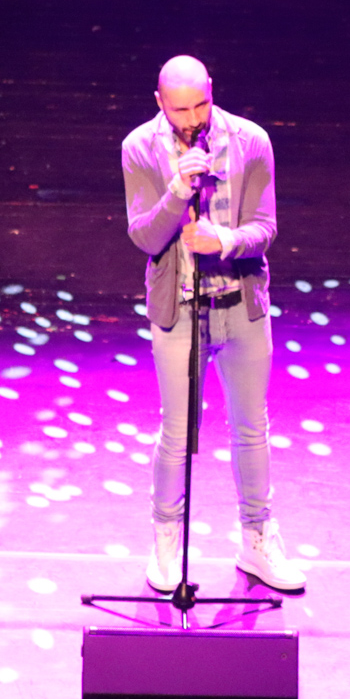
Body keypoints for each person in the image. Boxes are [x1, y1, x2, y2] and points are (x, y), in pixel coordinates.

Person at [121, 55, 305, 592]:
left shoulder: (250, 141)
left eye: (200, 105)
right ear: (160, 102)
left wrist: (223, 240)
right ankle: (167, 539)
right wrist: (178, 192)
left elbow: (266, 227)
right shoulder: (139, 147)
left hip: (240, 307)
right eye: (179, 109)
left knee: (251, 429)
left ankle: (257, 540)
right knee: (178, 433)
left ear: (211, 92)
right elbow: (144, 236)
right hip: (180, 312)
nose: (192, 119)